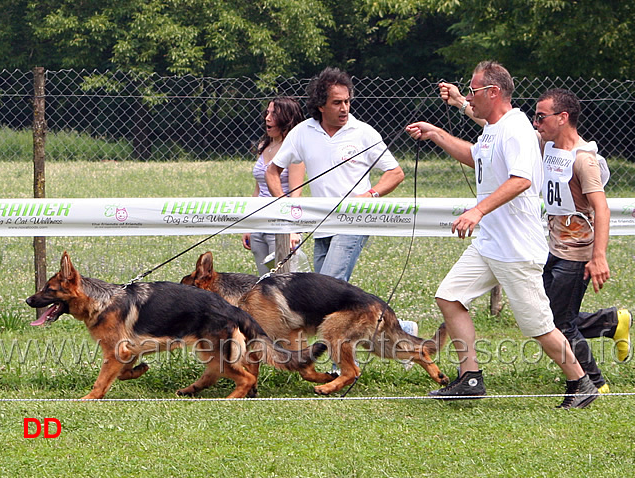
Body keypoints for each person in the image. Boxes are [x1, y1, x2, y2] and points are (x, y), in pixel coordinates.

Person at [405, 60, 598, 409]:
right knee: (449, 296)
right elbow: (474, 156)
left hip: (516, 248)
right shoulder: (492, 129)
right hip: (490, 243)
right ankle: (471, 378)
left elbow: (521, 178)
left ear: (493, 92)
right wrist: (437, 133)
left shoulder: (517, 128)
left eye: (474, 91)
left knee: (539, 326)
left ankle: (581, 382)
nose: (469, 96)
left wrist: (477, 210)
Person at [439, 83, 632, 369]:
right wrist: (460, 104)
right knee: (550, 315)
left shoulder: (584, 160)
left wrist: (598, 256)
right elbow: (498, 127)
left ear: (563, 117)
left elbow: (602, 208)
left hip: (576, 251)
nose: (535, 122)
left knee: (556, 321)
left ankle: (591, 381)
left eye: (541, 117)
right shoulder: (544, 144)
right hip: (551, 245)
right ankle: (611, 323)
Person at [265, 67, 418, 338]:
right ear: (321, 105)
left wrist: (370, 196)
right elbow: (272, 171)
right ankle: (401, 329)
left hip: (355, 221)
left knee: (328, 294)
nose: (345, 108)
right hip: (321, 225)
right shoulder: (302, 132)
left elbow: (395, 173)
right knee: (321, 296)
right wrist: (284, 206)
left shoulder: (364, 132)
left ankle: (342, 368)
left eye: (347, 101)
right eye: (337, 102)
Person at [242, 97, 306, 275]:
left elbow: (296, 194)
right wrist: (248, 224)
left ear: (287, 118)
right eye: (267, 113)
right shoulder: (264, 146)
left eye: (274, 114)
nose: (267, 118)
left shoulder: (294, 150)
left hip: (280, 223)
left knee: (284, 279)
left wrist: (293, 231)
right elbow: (258, 189)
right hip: (259, 220)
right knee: (265, 281)